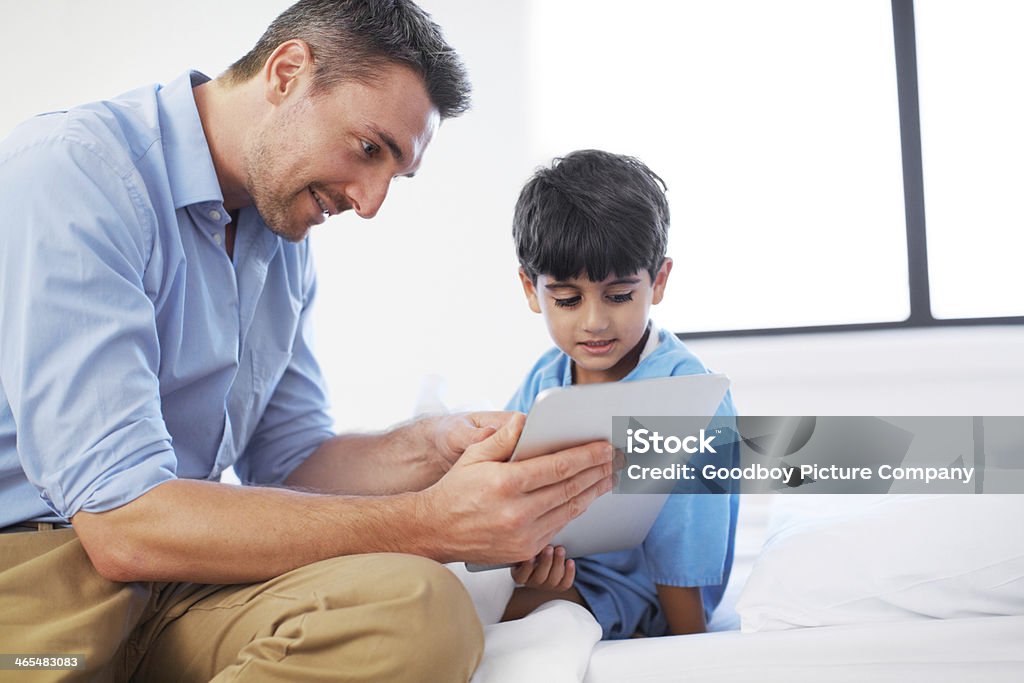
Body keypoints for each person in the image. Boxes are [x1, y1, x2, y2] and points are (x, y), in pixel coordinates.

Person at [0, 2, 615, 681]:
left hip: (177, 579)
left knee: (418, 607)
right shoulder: (77, 175)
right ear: (288, 73)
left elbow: (292, 461)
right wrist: (433, 524)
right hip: (40, 578)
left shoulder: (280, 240)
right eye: (369, 149)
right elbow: (124, 522)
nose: (373, 202)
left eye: (395, 174)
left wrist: (433, 446)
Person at [500, 149, 739, 639]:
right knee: (465, 608)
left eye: (619, 295)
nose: (594, 322)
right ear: (530, 289)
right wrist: (522, 554)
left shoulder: (689, 393)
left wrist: (688, 648)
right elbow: (508, 482)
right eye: (566, 299)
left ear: (659, 281)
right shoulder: (545, 378)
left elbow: (686, 539)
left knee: (498, 626)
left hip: (651, 591)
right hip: (571, 570)